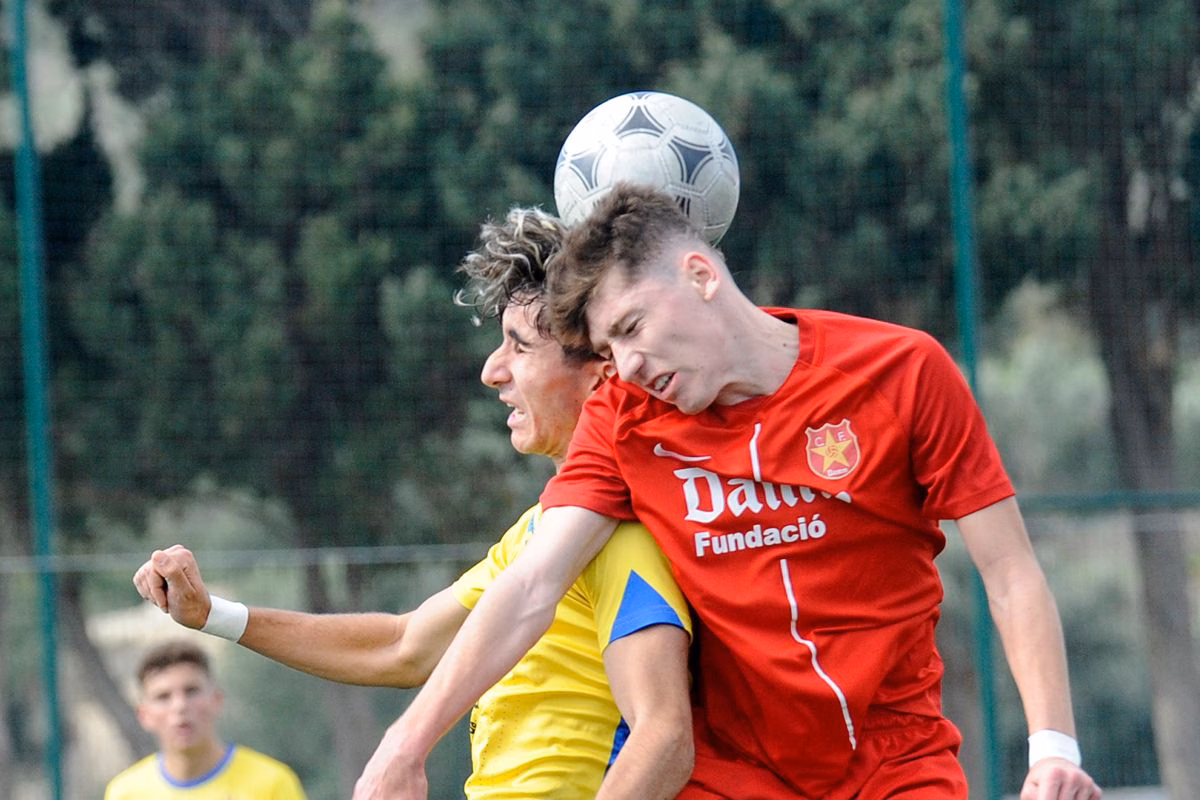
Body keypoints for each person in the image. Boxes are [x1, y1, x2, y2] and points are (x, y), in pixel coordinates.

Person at [352, 183, 1103, 800]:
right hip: (733, 775)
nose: (630, 363)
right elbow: (528, 586)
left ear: (702, 276)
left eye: (634, 326)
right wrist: (406, 744)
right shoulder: (622, 419)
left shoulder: (903, 371)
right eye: (610, 349)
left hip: (897, 763)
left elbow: (1009, 573)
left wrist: (1053, 750)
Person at [133, 206, 694, 799]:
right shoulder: (537, 536)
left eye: (519, 346)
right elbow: (401, 646)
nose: (490, 371)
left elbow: (664, 737)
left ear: (602, 372)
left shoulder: (619, 532)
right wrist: (212, 615)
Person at [104, 639, 307, 799]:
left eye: (191, 691)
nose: (180, 706)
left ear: (216, 700)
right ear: (144, 715)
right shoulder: (124, 793)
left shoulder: (272, 783)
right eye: (163, 697)